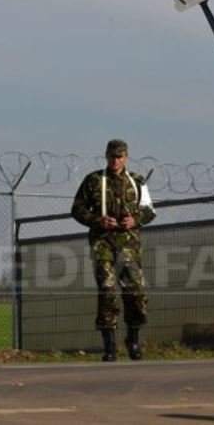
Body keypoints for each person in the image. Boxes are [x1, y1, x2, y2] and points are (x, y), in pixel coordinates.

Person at [71, 138, 156, 361]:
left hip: (129, 245)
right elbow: (77, 209)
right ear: (106, 156)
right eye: (112, 156)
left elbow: (150, 211)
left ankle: (133, 340)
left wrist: (135, 220)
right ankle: (109, 346)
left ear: (126, 157)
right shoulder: (93, 180)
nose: (115, 160)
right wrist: (98, 220)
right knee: (108, 292)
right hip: (103, 244)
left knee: (136, 293)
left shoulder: (137, 181)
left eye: (119, 157)